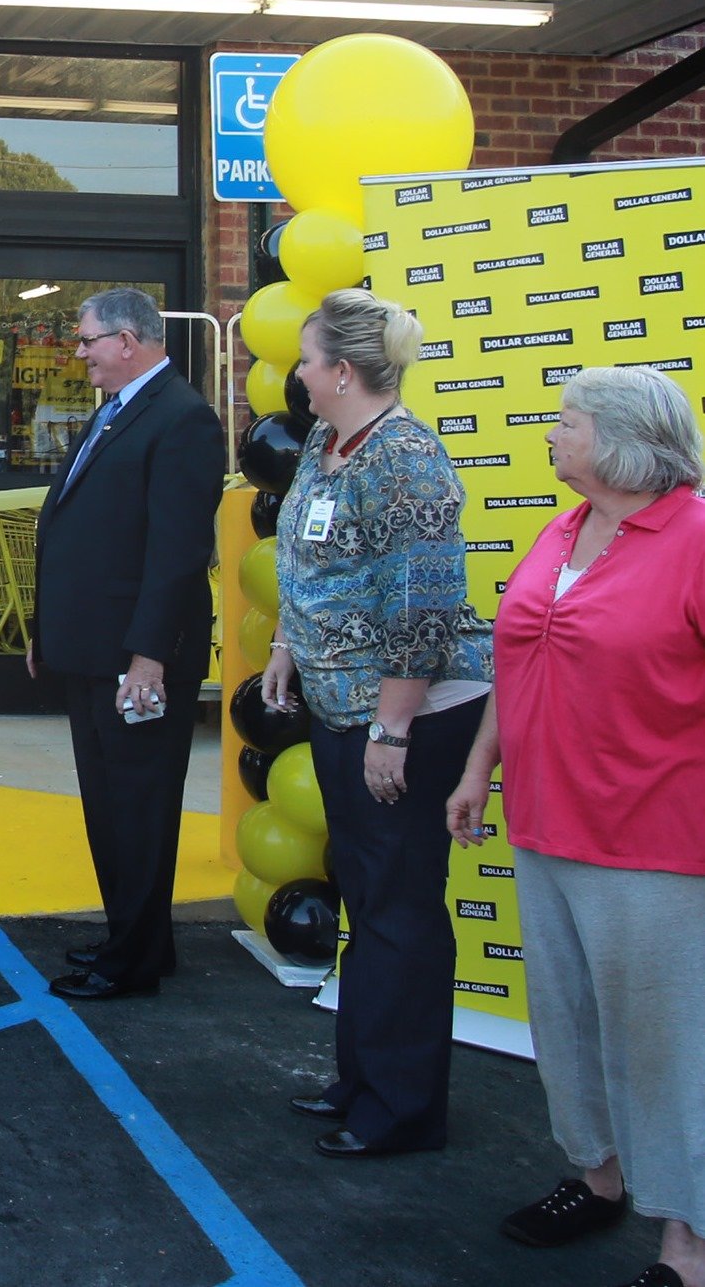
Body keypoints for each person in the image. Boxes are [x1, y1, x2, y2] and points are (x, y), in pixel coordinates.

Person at [447, 365, 705, 1287]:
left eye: (568, 422)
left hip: (654, 839)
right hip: (545, 824)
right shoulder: (561, 530)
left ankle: (686, 1243)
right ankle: (597, 1178)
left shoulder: (695, 539)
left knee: (663, 1043)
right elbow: (517, 666)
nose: (552, 436)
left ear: (624, 440)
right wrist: (480, 768)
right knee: (567, 1023)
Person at [262, 286, 490, 1157]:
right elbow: (306, 558)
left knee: (399, 910)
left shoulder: (408, 458)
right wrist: (289, 643)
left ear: (344, 371)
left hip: (405, 717)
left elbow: (424, 610)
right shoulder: (329, 438)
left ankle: (400, 1110)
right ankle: (361, 1080)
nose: (300, 374)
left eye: (310, 359)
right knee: (367, 897)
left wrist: (392, 729)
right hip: (340, 705)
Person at [28, 288, 226, 1003]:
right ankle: (133, 938)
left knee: (138, 808)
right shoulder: (117, 413)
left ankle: (132, 961)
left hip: (136, 659)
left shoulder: (183, 419)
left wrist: (149, 656)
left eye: (88, 340)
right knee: (110, 806)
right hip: (88, 650)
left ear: (129, 341)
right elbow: (74, 530)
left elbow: (177, 554)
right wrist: (44, 633)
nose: (79, 353)